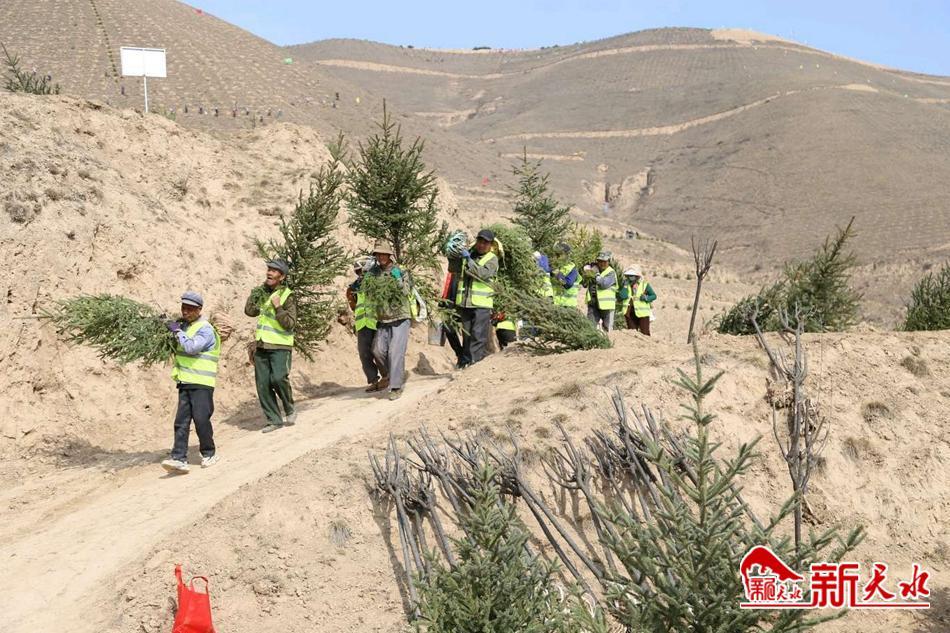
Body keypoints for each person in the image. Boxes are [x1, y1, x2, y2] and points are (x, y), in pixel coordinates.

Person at [161, 291, 220, 474]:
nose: (185, 312)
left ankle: (209, 453)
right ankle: (179, 458)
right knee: (181, 421)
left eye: (190, 309)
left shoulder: (205, 329)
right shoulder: (185, 327)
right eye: (183, 308)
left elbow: (191, 347)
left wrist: (177, 331)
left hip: (202, 383)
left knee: (201, 419)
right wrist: (166, 325)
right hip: (185, 381)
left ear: (199, 310)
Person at [245, 259, 297, 433]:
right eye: (269, 269)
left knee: (278, 378)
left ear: (282, 277)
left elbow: (289, 323)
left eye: (274, 271)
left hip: (280, 346)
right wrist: (255, 295)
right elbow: (250, 312)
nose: (269, 273)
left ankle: (289, 408)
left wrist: (278, 307)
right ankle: (274, 420)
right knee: (263, 384)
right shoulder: (263, 292)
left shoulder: (287, 295)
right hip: (262, 345)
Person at [366, 241, 412, 401]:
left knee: (395, 352)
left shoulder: (400, 271)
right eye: (378, 254)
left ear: (389, 255)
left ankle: (396, 386)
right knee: (377, 351)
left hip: (400, 318)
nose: (381, 257)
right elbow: (368, 293)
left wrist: (398, 280)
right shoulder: (373, 273)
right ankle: (390, 375)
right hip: (383, 319)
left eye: (383, 254)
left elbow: (406, 291)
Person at [456, 229, 499, 366]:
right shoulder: (470, 254)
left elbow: (482, 274)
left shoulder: (492, 259)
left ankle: (475, 364)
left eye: (485, 243)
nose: (481, 245)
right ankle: (466, 363)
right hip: (466, 303)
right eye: (480, 241)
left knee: (478, 335)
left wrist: (468, 260)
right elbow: (454, 270)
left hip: (482, 304)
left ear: (490, 245)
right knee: (466, 335)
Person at [347, 257, 387, 392]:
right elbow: (353, 305)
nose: (359, 274)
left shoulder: (378, 283)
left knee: (378, 351)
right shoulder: (353, 287)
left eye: (361, 271)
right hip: (362, 324)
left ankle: (386, 376)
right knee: (364, 353)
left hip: (377, 322)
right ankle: (373, 380)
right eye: (357, 272)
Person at [584, 251, 618, 332]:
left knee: (607, 329)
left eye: (604, 261)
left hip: (607, 306)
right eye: (600, 261)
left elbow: (603, 284)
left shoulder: (611, 272)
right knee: (590, 327)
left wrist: (596, 274)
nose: (602, 263)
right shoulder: (593, 270)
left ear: (608, 261)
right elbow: (584, 284)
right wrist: (587, 271)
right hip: (593, 303)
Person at [623, 265, 657, 335]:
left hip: (643, 313)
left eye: (632, 275)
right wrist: (625, 286)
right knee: (632, 334)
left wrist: (646, 298)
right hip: (630, 313)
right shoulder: (625, 284)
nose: (630, 277)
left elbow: (654, 296)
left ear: (637, 276)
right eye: (629, 275)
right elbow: (622, 296)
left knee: (645, 334)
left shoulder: (644, 285)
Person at [552, 242, 580, 310]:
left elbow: (568, 284)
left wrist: (558, 274)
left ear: (566, 255)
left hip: (568, 306)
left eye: (558, 254)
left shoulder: (572, 269)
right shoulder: (555, 266)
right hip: (555, 305)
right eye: (555, 254)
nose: (556, 257)